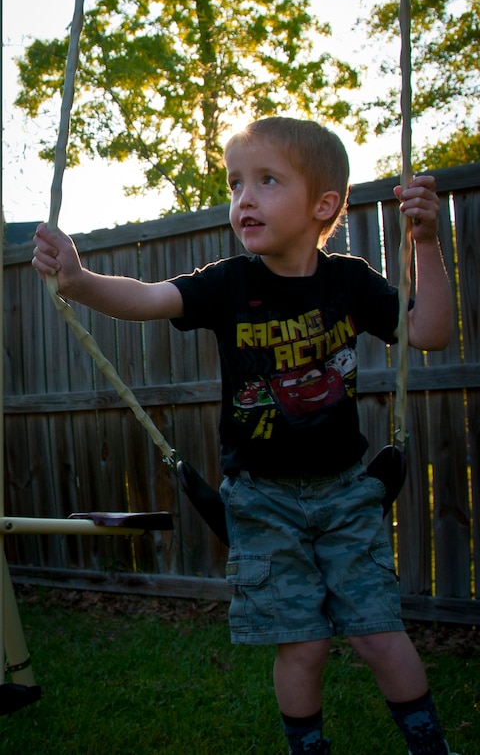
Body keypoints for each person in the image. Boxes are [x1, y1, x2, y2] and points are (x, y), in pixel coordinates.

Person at [32, 117, 457, 755]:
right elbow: (148, 297)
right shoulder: (230, 283)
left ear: (323, 205)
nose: (243, 199)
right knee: (303, 643)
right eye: (235, 184)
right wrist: (80, 280)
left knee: (378, 633)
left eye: (265, 181)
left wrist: (426, 244)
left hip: (347, 494)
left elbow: (429, 333)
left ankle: (430, 747)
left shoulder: (351, 283)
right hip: (262, 501)